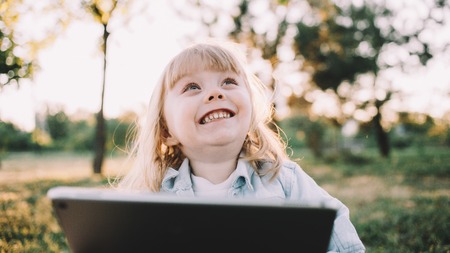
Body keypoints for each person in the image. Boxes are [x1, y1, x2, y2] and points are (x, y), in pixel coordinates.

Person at [116, 40, 366, 252]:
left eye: (228, 82)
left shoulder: (285, 181)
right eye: (192, 87)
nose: (215, 93)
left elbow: (345, 245)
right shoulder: (151, 198)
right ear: (166, 131)